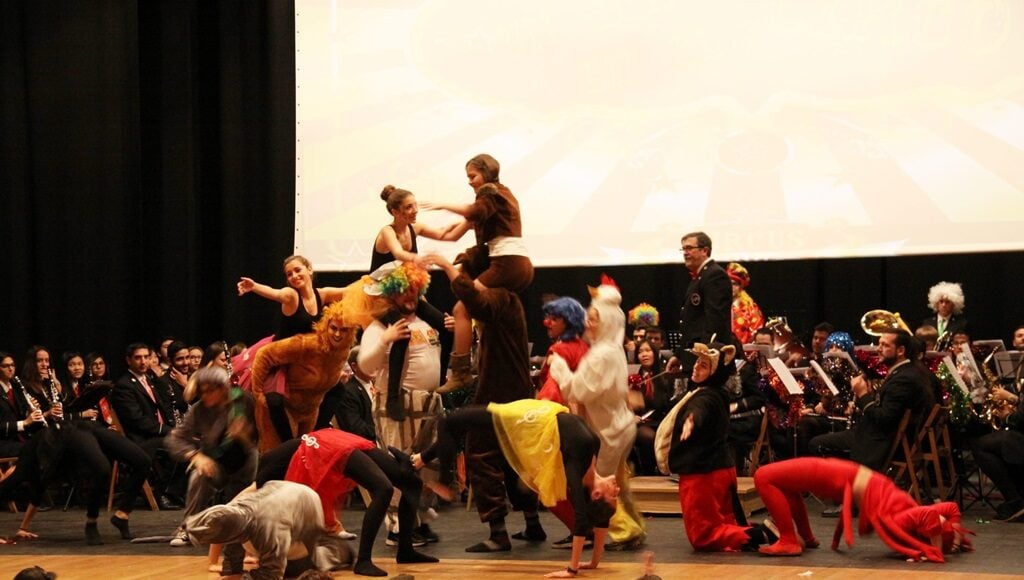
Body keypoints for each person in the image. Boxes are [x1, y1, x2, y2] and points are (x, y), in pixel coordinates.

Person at [413, 399, 620, 579]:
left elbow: (581, 520)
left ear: (596, 494)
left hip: (523, 421)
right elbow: (602, 520)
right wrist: (593, 563)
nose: (617, 489)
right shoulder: (591, 452)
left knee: (449, 421)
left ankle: (445, 482)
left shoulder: (578, 464)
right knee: (460, 425)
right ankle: (421, 459)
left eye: (614, 495)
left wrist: (572, 570)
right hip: (533, 415)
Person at [421, 252, 538, 553]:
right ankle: (532, 523)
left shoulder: (499, 297)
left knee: (480, 453)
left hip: (501, 392)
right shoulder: (505, 300)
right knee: (511, 457)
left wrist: (446, 267)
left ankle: (498, 533)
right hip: (507, 390)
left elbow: (471, 299)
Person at [421, 153, 534, 394]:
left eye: (472, 176)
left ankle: (460, 373)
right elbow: (451, 234)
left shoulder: (492, 194)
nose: (469, 181)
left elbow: (472, 211)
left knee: (463, 307)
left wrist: (443, 205)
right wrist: (415, 229)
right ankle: (468, 365)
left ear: (486, 173)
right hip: (514, 264)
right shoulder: (492, 205)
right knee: (475, 311)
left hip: (508, 264)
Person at [257, 429, 439, 577]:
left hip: (325, 446)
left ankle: (403, 551)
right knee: (392, 487)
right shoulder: (274, 480)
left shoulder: (267, 483)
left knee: (404, 485)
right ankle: (365, 560)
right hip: (330, 441)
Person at [548, 278, 645, 551]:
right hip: (618, 426)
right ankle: (635, 526)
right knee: (618, 484)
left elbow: (578, 389)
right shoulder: (612, 350)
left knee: (598, 485)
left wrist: (558, 365)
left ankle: (624, 530)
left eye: (593, 319)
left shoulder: (602, 354)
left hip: (608, 431)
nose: (588, 323)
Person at [655, 341, 776, 552]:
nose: (696, 367)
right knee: (727, 523)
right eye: (697, 362)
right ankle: (767, 531)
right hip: (721, 469)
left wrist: (691, 420)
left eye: (704, 365)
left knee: (703, 536)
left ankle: (763, 534)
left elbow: (699, 409)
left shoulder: (707, 397)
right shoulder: (717, 393)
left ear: (715, 371)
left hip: (703, 475)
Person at [356, 261, 445, 543]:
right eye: (403, 290)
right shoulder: (379, 326)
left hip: (427, 405)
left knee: (424, 467)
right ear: (391, 292)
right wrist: (385, 339)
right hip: (398, 407)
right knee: (398, 465)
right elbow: (366, 365)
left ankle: (417, 521)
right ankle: (398, 529)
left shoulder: (425, 322)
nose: (410, 295)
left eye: (414, 289)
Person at [754, 457, 972, 561]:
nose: (940, 519)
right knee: (784, 482)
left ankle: (789, 541)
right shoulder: (914, 516)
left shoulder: (906, 520)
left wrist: (936, 549)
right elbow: (951, 508)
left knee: (764, 476)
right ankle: (806, 537)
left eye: (938, 526)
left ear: (928, 532)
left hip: (847, 477)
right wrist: (954, 534)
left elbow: (931, 514)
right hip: (852, 476)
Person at [236, 254, 349, 442]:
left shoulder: (322, 294)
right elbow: (275, 293)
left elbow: (349, 291)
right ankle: (288, 442)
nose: (294, 276)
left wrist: (375, 283)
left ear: (309, 270)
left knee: (337, 389)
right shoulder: (291, 295)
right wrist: (254, 287)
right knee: (274, 401)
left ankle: (315, 434)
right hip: (282, 358)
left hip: (305, 360)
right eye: (289, 274)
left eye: (298, 270)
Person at [809, 330, 934, 472]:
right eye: (879, 344)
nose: (878, 349)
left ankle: (847, 482)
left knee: (816, 444)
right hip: (876, 435)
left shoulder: (904, 379)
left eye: (885, 345)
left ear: (900, 350)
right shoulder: (905, 372)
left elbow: (883, 420)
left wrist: (862, 394)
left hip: (877, 443)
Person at [164, 366, 258, 549]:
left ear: (223, 389)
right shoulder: (199, 409)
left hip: (244, 462)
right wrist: (195, 455)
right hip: (215, 462)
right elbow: (175, 439)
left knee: (242, 505)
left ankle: (246, 532)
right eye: (202, 391)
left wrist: (243, 435)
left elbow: (256, 436)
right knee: (199, 475)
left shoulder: (243, 400)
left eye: (210, 391)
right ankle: (188, 527)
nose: (205, 396)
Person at [185, 480, 352, 580]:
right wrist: (232, 572)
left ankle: (341, 550)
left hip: (306, 505)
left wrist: (243, 578)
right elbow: (230, 539)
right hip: (278, 496)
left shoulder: (270, 527)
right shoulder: (232, 510)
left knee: (300, 568)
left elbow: (272, 574)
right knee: (259, 548)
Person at [250, 300, 358, 452]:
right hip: (282, 410)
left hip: (309, 413)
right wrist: (258, 394)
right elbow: (264, 354)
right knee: (278, 458)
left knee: (302, 460)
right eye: (333, 328)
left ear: (351, 331)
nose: (338, 334)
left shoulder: (343, 352)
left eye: (344, 330)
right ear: (325, 326)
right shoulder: (307, 344)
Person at [110, 342, 184, 510]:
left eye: (146, 357)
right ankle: (163, 493)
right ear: (128, 360)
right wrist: (168, 430)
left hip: (156, 434)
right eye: (138, 358)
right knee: (182, 446)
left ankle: (174, 492)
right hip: (142, 439)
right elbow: (137, 420)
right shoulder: (124, 385)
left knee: (193, 441)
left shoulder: (149, 379)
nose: (143, 361)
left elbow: (165, 405)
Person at [669, 232, 733, 375]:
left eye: (689, 248)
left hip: (705, 361)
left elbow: (715, 322)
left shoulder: (714, 275)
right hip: (695, 357)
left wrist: (704, 357)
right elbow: (691, 324)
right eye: (683, 249)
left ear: (705, 250)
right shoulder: (701, 277)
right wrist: (679, 355)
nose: (685, 253)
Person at [630, 340, 675, 476]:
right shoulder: (633, 377)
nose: (644, 354)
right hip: (641, 422)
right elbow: (626, 403)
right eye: (640, 352)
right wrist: (631, 416)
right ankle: (648, 472)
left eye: (647, 350)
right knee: (649, 436)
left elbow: (666, 403)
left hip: (660, 420)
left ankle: (666, 469)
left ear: (655, 353)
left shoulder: (664, 375)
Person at [536, 296, 589, 406]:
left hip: (561, 407)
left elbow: (552, 386)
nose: (547, 323)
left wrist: (542, 406)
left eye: (554, 319)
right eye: (548, 318)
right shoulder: (584, 346)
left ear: (569, 323)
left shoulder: (559, 349)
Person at [726, 262, 765, 345]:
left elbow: (757, 331)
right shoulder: (718, 304)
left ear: (740, 286)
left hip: (745, 350)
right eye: (728, 283)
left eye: (734, 284)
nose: (731, 287)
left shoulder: (750, 307)